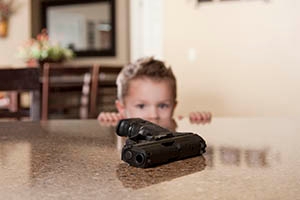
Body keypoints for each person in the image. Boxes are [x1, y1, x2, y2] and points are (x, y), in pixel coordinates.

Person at [98, 57, 212, 124]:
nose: (153, 116)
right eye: (141, 106)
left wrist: (198, 120)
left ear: (174, 106)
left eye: (163, 106)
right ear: (122, 108)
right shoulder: (121, 123)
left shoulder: (175, 125)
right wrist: (109, 121)